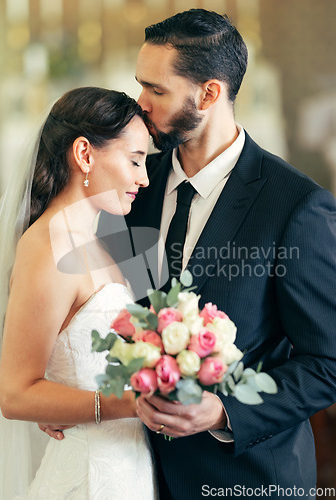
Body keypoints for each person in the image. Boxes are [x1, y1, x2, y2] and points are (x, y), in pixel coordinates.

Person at [125, 9, 336, 499]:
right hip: (136, 473)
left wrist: (224, 413)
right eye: (140, 85)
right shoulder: (134, 186)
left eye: (156, 90)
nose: (140, 105)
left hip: (247, 479)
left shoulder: (297, 207)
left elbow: (326, 362)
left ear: (209, 94)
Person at [0, 87, 158, 499]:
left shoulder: (93, 241)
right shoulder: (48, 246)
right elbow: (15, 394)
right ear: (85, 154)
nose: (144, 177)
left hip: (127, 469)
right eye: (135, 160)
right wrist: (132, 403)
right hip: (87, 478)